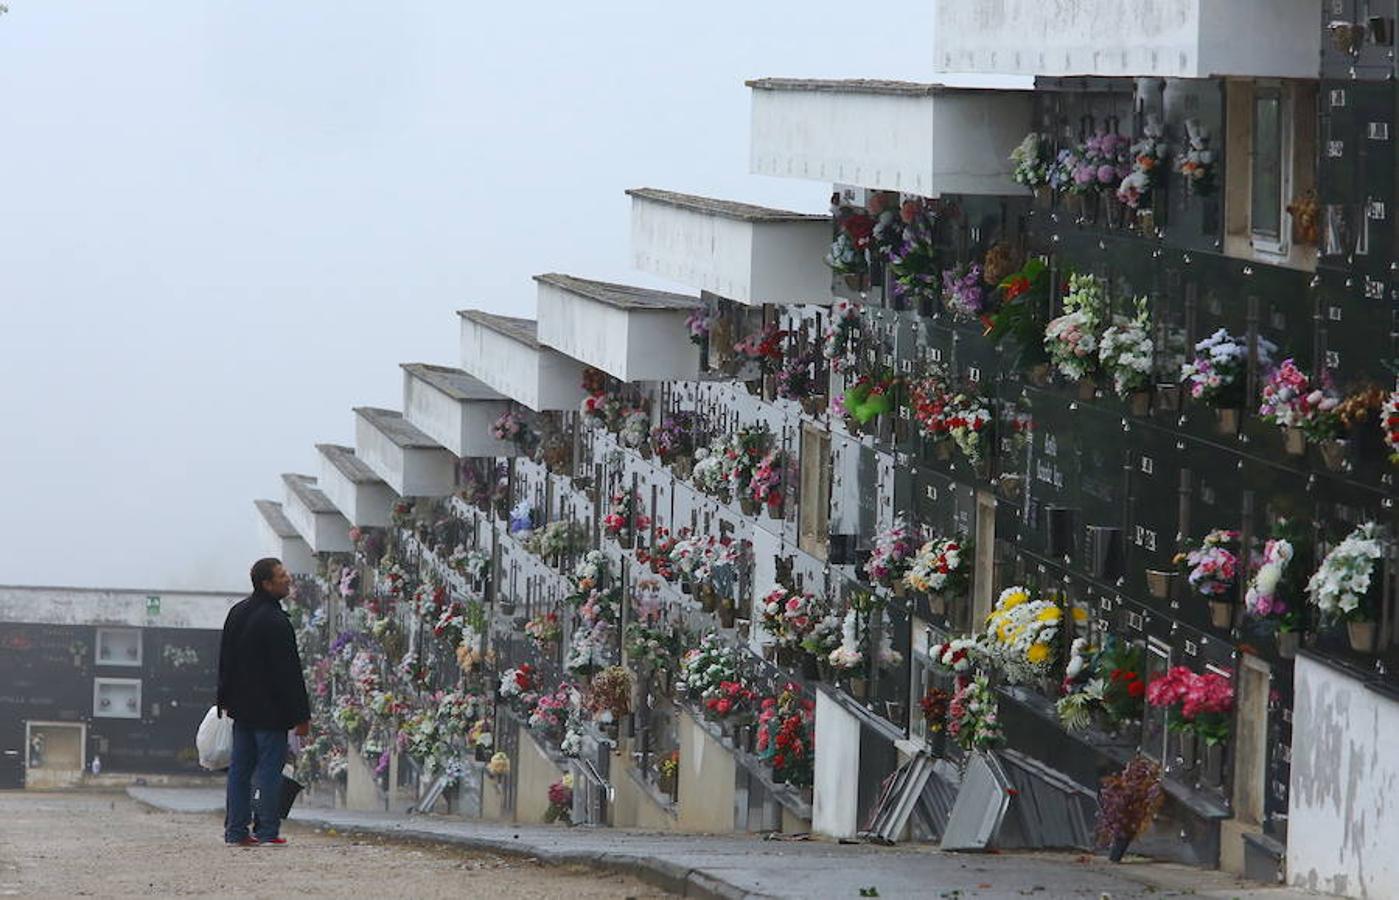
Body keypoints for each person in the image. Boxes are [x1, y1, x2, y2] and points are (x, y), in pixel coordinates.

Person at [217, 558, 310, 846]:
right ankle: (267, 830)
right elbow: (288, 672)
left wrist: (224, 699)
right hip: (271, 713)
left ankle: (236, 831)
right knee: (269, 772)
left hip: (241, 710)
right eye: (281, 576)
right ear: (266, 584)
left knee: (240, 772)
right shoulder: (276, 621)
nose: (288, 579)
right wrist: (301, 715)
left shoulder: (238, 613)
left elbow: (225, 660)